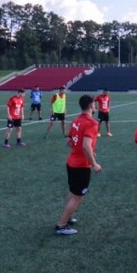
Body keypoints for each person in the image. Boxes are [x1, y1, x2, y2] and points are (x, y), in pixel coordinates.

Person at [54, 95, 101, 236]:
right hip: (81, 165)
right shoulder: (92, 123)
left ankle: (66, 218)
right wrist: (94, 164)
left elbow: (70, 142)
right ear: (91, 105)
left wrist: (89, 152)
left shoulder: (76, 120)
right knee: (78, 196)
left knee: (73, 192)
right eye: (94, 104)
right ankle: (61, 225)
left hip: (71, 162)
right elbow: (86, 145)